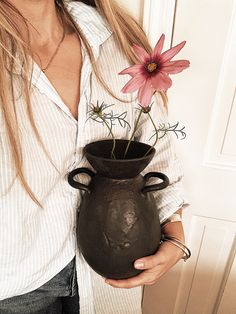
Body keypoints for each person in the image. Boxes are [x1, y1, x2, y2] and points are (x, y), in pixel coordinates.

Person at [0, 0, 189, 313]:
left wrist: (174, 227)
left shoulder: (117, 37)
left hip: (109, 274)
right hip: (14, 288)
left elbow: (153, 140)